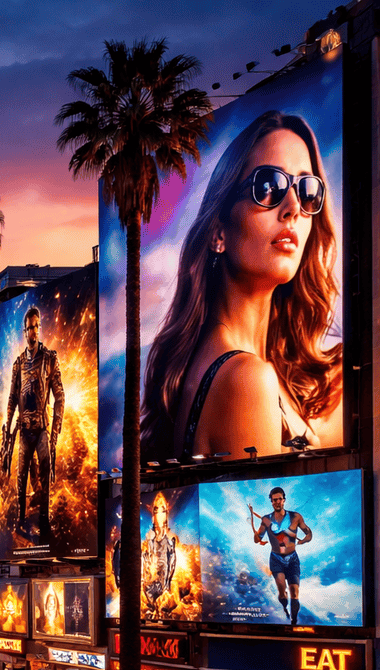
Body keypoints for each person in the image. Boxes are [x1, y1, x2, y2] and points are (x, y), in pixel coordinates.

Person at [141, 111, 343, 463]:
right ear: (219, 232)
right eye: (269, 187)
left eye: (307, 191)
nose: (294, 208)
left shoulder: (244, 366)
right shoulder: (246, 379)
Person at [2, 305, 64, 540]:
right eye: (29, 328)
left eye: (36, 326)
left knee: (46, 473)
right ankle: (20, 521)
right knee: (20, 478)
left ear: (40, 327)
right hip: (24, 429)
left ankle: (45, 521)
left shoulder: (49, 359)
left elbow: (60, 396)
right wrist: (8, 428)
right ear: (24, 331)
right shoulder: (18, 364)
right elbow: (11, 397)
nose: (33, 331)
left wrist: (56, 429)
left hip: (42, 428)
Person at [249, 486, 313, 625]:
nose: (277, 502)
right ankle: (284, 607)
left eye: (279, 499)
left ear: (284, 500)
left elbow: (308, 533)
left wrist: (304, 539)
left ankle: (294, 622)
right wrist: (257, 533)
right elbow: (257, 539)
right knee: (282, 593)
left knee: (295, 593)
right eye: (274, 500)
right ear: (271, 502)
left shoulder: (295, 517)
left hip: (292, 559)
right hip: (276, 559)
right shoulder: (266, 519)